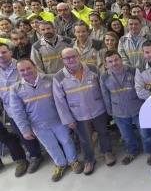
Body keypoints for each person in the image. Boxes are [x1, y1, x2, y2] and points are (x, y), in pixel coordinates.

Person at [10, 59, 84, 181]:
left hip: (58, 120)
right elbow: (17, 112)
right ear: (18, 72)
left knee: (66, 140)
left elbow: (64, 99)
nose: (26, 72)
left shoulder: (51, 79)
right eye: (22, 70)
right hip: (38, 125)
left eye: (29, 68)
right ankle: (60, 164)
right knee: (50, 146)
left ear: (35, 67)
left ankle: (73, 161)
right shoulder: (16, 88)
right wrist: (25, 130)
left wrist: (68, 117)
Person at [53, 48, 114, 175]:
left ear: (79, 56)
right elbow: (59, 101)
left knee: (103, 132)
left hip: (99, 110)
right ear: (62, 60)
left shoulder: (92, 68)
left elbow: (103, 89)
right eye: (67, 58)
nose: (71, 60)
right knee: (85, 139)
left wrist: (108, 108)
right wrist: (68, 119)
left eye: (73, 56)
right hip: (78, 115)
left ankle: (107, 152)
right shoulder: (59, 77)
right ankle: (89, 160)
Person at [100, 51, 151, 166]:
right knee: (126, 135)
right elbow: (105, 95)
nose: (114, 63)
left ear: (121, 59)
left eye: (116, 60)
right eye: (110, 62)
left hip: (137, 108)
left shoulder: (133, 71)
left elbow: (141, 89)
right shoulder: (104, 77)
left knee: (145, 133)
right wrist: (110, 112)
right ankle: (132, 151)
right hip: (119, 111)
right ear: (106, 64)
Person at [0, 43, 45, 174]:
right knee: (24, 135)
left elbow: (41, 80)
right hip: (13, 111)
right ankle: (36, 156)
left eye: (4, 52)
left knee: (46, 130)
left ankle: (58, 152)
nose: (1, 56)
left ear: (11, 52)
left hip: (34, 106)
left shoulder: (23, 65)